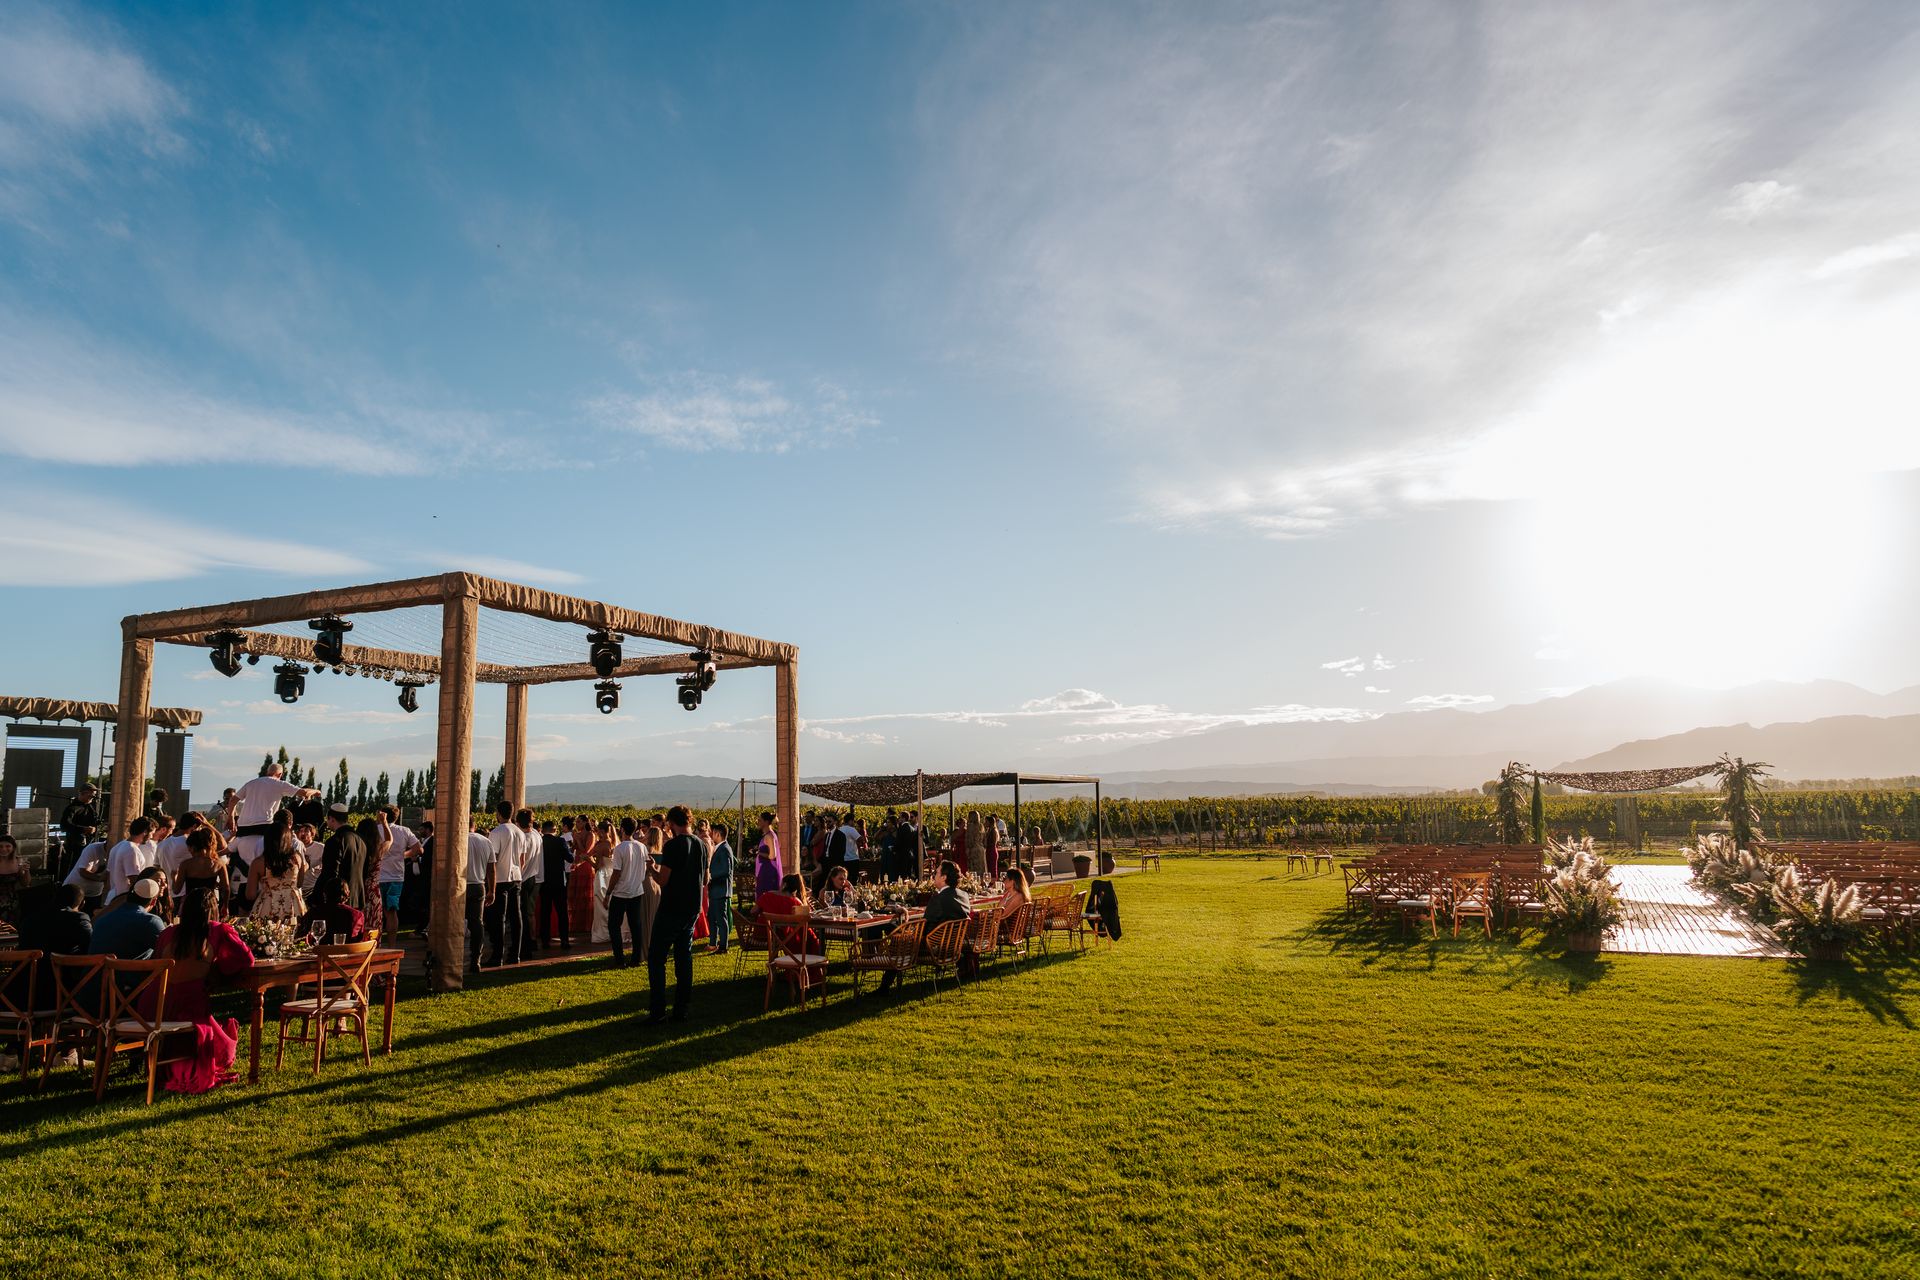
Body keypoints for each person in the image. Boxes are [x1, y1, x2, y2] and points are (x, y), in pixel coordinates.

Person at [147, 887, 255, 1093]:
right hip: (188, 1007)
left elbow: (156, 962)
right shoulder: (217, 930)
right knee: (225, 1051)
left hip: (151, 1005)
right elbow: (246, 959)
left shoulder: (169, 932)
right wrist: (218, 970)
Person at [646, 805, 704, 1025]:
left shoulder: (673, 846)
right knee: (684, 958)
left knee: (657, 958)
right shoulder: (701, 844)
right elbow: (704, 878)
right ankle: (681, 1009)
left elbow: (663, 881)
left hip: (671, 908)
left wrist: (652, 868)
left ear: (671, 822)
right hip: (692, 908)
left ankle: (658, 1011)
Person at [878, 861, 970, 992]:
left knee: (895, 935)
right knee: (899, 932)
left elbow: (925, 925)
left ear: (944, 877)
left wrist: (907, 930)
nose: (933, 876)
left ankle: (884, 986)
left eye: (936, 873)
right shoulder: (963, 895)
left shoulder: (938, 898)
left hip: (932, 946)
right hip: (952, 945)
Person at [230, 764, 320, 870]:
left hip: (243, 827)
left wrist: (230, 818)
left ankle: (235, 867)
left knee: (234, 851)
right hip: (264, 825)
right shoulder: (279, 784)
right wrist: (316, 791)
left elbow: (233, 800)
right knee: (274, 851)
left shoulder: (251, 783)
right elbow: (304, 792)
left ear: (267, 772)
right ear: (280, 774)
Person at [18, 883, 92, 1007]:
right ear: (82, 904)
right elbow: (91, 948)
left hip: (21, 992)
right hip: (59, 995)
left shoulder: (29, 919)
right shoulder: (78, 920)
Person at [482, 800, 523, 967]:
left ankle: (497, 955)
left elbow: (493, 859)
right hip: (516, 876)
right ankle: (515, 954)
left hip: (501, 878)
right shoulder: (519, 831)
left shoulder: (497, 832)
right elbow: (522, 858)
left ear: (498, 813)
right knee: (516, 916)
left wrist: (488, 882)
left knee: (498, 918)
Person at [604, 817, 648, 968]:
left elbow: (616, 873)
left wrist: (608, 892)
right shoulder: (641, 847)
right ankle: (636, 958)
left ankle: (619, 959)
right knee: (635, 925)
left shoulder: (620, 848)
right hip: (637, 890)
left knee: (613, 925)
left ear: (622, 829)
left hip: (621, 892)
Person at [89, 877, 166, 959]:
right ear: (154, 901)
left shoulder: (103, 919)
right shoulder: (150, 921)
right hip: (129, 971)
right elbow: (168, 951)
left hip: (96, 970)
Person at [247, 818, 307, 923]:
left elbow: (250, 895)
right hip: (293, 905)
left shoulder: (259, 862)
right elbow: (300, 883)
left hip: (268, 905)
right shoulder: (297, 857)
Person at [373, 805, 418, 942]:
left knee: (377, 913)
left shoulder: (375, 830)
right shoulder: (404, 831)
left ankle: (375, 945)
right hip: (397, 877)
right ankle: (392, 946)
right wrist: (403, 855)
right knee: (392, 912)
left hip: (378, 876)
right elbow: (418, 849)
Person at [321, 805, 368, 913]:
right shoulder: (361, 840)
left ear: (331, 818)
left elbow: (330, 872)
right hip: (358, 898)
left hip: (339, 899)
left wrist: (318, 896)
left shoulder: (335, 841)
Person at [154, 811, 203, 910]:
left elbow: (156, 867)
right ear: (193, 826)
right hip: (183, 892)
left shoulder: (162, 844)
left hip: (165, 891)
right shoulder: (188, 844)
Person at [298, 874, 366, 945]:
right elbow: (360, 940)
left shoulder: (313, 912)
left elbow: (302, 936)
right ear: (347, 894)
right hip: (349, 953)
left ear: (325, 894)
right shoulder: (357, 915)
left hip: (321, 953)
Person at [175, 827, 231, 910]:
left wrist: (173, 877)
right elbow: (226, 888)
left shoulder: (186, 865)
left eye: (189, 847)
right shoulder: (219, 864)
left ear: (193, 847)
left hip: (191, 904)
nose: (188, 850)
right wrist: (225, 906)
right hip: (210, 904)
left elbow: (176, 890)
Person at [539, 819, 574, 949]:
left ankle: (545, 940)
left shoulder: (540, 842)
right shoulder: (560, 841)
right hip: (559, 881)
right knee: (562, 912)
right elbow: (570, 858)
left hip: (544, 880)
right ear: (554, 830)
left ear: (543, 830)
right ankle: (564, 940)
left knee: (545, 912)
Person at [105, 816, 157, 902]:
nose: (151, 837)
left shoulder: (118, 846)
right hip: (122, 899)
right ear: (145, 832)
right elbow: (134, 878)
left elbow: (108, 875)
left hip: (113, 896)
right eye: (151, 833)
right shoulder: (131, 849)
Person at [464, 822, 493, 972]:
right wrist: (492, 890)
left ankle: (453, 957)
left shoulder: (459, 839)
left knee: (456, 921)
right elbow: (491, 869)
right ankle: (476, 958)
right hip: (479, 885)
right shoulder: (486, 841)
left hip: (460, 885)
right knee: (477, 923)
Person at [515, 808, 541, 962]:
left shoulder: (523, 838)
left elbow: (520, 860)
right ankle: (531, 941)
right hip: (533, 877)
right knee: (528, 913)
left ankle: (524, 947)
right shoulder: (537, 835)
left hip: (523, 878)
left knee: (522, 915)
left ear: (518, 822)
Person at [58, 784, 99, 876]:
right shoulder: (72, 808)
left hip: (88, 843)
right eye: (90, 795)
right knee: (73, 868)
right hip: (74, 844)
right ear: (82, 793)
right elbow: (64, 825)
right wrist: (83, 829)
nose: (93, 797)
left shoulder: (90, 808)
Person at [356, 815, 390, 925]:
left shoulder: (357, 850)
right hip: (373, 891)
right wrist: (384, 823)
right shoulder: (378, 850)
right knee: (373, 924)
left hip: (358, 891)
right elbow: (389, 839)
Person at [706, 821, 734, 954]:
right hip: (716, 890)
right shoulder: (721, 848)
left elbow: (726, 870)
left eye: (713, 833)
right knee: (712, 917)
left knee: (721, 919)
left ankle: (723, 946)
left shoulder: (725, 849)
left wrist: (711, 876)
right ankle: (713, 943)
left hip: (721, 889)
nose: (711, 835)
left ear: (718, 834)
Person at [63, 838, 109, 913]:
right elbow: (83, 871)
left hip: (94, 894)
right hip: (75, 892)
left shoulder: (119, 852)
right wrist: (100, 878)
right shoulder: (93, 848)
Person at [0, 834, 30, 930]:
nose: (4, 849)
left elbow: (25, 883)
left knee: (11, 931)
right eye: (0, 846)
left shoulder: (18, 861)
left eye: (8, 846)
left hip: (12, 904)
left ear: (13, 848)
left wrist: (26, 871)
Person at [753, 812, 784, 897]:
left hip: (768, 873)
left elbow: (772, 856)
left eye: (760, 820)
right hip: (765, 871)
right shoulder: (769, 835)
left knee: (766, 897)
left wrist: (759, 852)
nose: (757, 821)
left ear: (766, 822)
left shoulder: (769, 836)